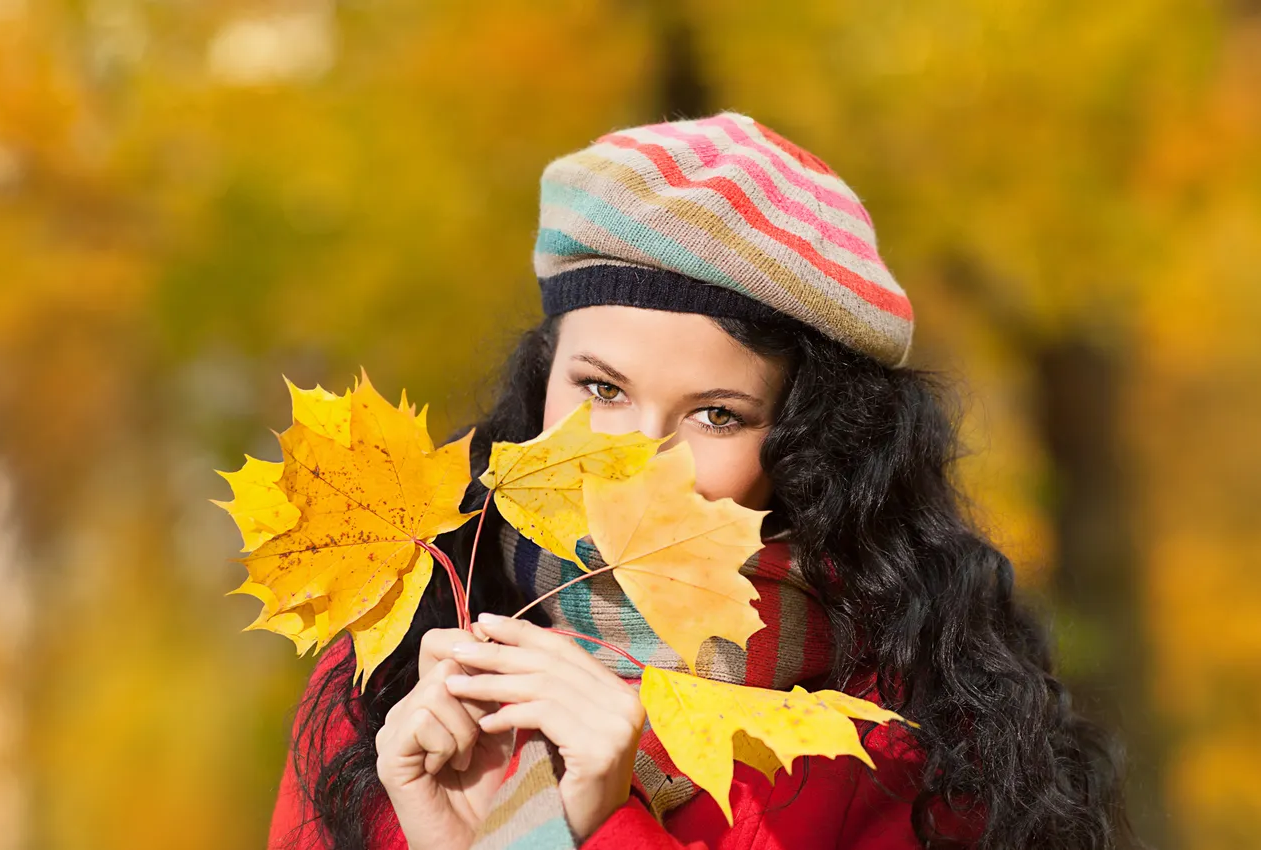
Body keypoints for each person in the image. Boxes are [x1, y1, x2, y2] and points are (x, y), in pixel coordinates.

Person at [267, 113, 1129, 849]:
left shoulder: (904, 733)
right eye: (600, 390)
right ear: (541, 383)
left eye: (716, 415)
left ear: (809, 443)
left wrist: (597, 827)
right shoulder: (393, 675)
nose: (635, 463)